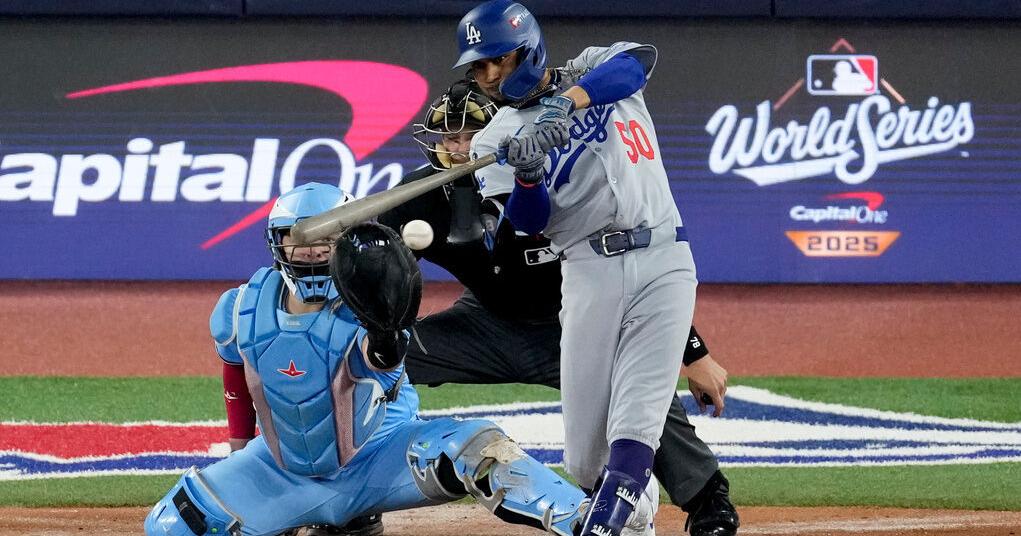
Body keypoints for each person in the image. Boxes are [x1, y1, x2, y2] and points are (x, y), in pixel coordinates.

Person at [375, 80, 738, 536]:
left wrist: (694, 352)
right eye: (448, 137)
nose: (457, 148)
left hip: (569, 323)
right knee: (368, 358)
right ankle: (350, 486)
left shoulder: (556, 181)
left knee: (643, 394)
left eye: (469, 135)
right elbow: (371, 270)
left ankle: (708, 501)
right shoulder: (418, 197)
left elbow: (641, 270)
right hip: (483, 325)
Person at [144, 182, 592, 536]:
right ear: (277, 242)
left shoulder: (373, 300)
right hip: (283, 468)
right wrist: (239, 449)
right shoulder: (241, 308)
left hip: (379, 457)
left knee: (476, 446)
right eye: (298, 238)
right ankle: (325, 518)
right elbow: (235, 372)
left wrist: (385, 330)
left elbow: (382, 361)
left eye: (326, 238)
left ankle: (586, 519)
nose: (312, 249)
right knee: (170, 524)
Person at [453, 2, 722, 535]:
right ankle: (635, 508)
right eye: (478, 67)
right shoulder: (494, 140)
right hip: (587, 270)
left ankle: (607, 523)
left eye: (497, 60)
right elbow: (530, 224)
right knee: (583, 459)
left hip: (664, 259)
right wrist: (527, 174)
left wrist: (565, 103)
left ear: (528, 50)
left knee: (636, 422)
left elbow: (634, 67)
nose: (487, 75)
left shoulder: (594, 66)